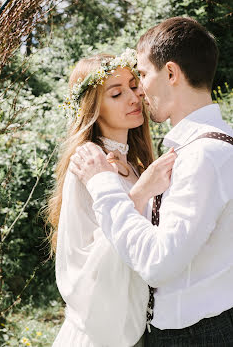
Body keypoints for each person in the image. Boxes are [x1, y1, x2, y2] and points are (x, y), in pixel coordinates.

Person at [70, 17, 233, 346]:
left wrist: (103, 185)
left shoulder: (204, 156)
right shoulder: (205, 145)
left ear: (171, 73)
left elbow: (158, 264)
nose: (139, 91)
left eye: (142, 76)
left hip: (195, 336)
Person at [47, 50, 176, 347]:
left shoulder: (132, 163)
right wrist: (141, 192)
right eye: (116, 94)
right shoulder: (87, 165)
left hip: (140, 326)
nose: (134, 97)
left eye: (134, 86)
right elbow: (89, 265)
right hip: (102, 334)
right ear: (93, 108)